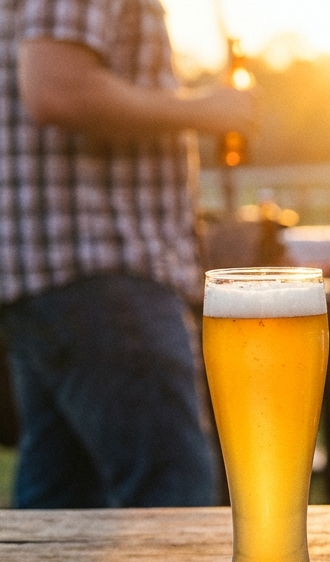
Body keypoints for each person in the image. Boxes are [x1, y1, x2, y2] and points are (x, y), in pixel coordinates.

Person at [0, 0, 256, 508]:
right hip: (102, 266)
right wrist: (206, 110)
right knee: (171, 497)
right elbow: (57, 89)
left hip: (56, 272)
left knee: (62, 507)